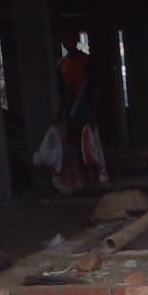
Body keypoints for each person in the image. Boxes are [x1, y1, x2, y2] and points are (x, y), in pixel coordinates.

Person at [53, 25, 108, 193]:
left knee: (89, 150)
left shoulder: (87, 62)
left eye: (70, 38)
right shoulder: (62, 65)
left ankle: (93, 183)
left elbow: (96, 89)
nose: (67, 42)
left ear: (76, 40)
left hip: (85, 111)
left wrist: (93, 113)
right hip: (71, 114)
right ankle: (81, 184)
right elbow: (62, 93)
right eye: (64, 39)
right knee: (75, 149)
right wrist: (59, 116)